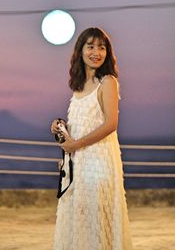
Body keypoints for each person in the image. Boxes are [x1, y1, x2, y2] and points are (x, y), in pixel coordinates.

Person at [51, 27, 133, 249]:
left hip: (100, 163)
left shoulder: (108, 81)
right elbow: (82, 123)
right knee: (79, 218)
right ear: (80, 51)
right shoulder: (78, 86)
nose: (96, 52)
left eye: (102, 47)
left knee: (98, 221)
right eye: (90, 46)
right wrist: (61, 128)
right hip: (78, 164)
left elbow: (110, 124)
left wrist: (75, 144)